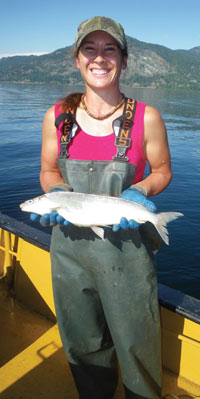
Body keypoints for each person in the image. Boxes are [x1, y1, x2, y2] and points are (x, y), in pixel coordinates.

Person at [31, 16, 172, 399]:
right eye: (90, 49)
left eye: (110, 49)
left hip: (128, 254)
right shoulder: (57, 118)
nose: (100, 57)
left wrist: (140, 190)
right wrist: (57, 190)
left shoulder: (147, 117)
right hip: (69, 256)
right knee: (83, 344)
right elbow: (47, 169)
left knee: (136, 344)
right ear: (76, 59)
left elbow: (162, 171)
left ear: (124, 61)